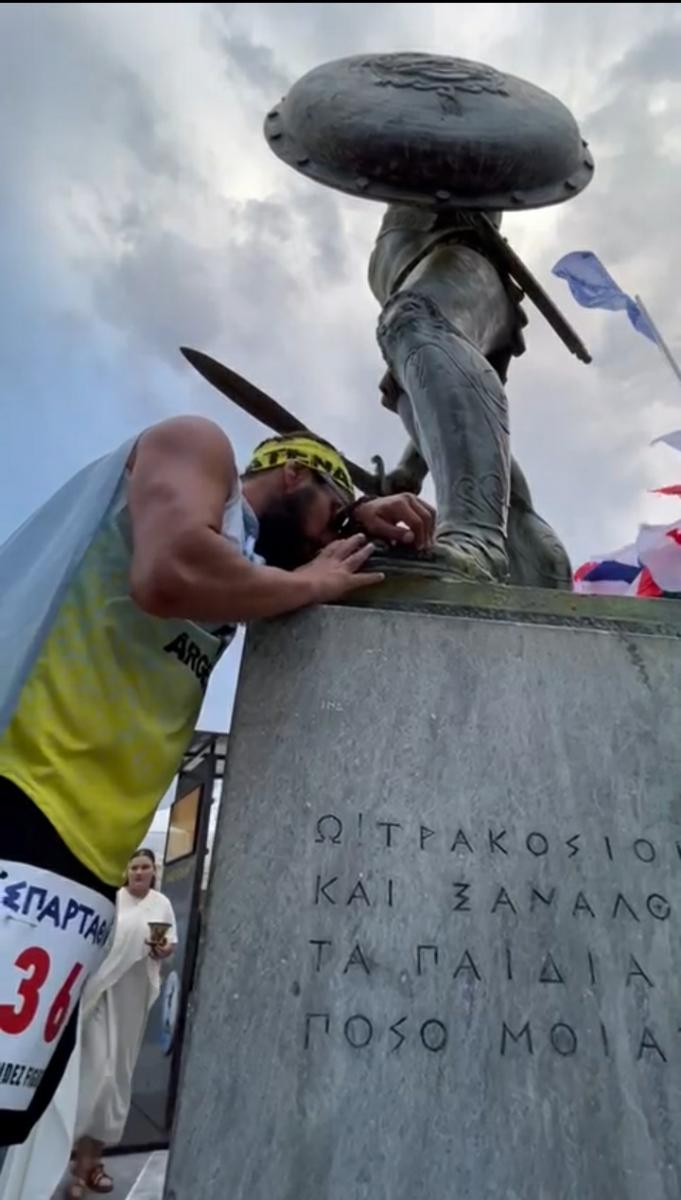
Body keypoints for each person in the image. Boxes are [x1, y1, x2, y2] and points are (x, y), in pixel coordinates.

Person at [0, 417, 435, 1162]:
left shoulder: (249, 561)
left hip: (83, 869)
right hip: (21, 797)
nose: (331, 541)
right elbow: (168, 571)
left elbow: (279, 553)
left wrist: (354, 514)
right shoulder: (195, 447)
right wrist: (307, 576)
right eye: (332, 513)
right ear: (294, 473)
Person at [66, 848, 176, 1198]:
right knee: (97, 1076)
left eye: (145, 867)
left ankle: (92, 1163)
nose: (139, 872)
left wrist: (160, 951)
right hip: (101, 995)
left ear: (153, 871)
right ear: (126, 870)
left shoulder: (160, 904)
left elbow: (168, 944)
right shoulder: (113, 899)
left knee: (116, 1084)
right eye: (134, 867)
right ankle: (80, 1166)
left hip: (133, 999)